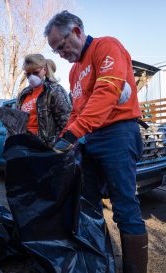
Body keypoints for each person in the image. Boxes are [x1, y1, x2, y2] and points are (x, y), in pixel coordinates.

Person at [44, 11, 147, 273]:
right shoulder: (74, 72)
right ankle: (100, 264)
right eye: (56, 51)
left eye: (62, 45)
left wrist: (73, 134)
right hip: (90, 138)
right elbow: (77, 111)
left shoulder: (106, 47)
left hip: (118, 133)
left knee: (124, 205)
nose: (61, 54)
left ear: (77, 31)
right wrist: (63, 138)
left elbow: (106, 91)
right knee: (87, 204)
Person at [16, 53, 71, 148]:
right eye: (28, 74)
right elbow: (17, 122)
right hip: (25, 145)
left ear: (44, 70)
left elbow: (66, 122)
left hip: (45, 148)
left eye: (35, 72)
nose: (31, 77)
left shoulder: (54, 90)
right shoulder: (23, 94)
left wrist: (57, 145)